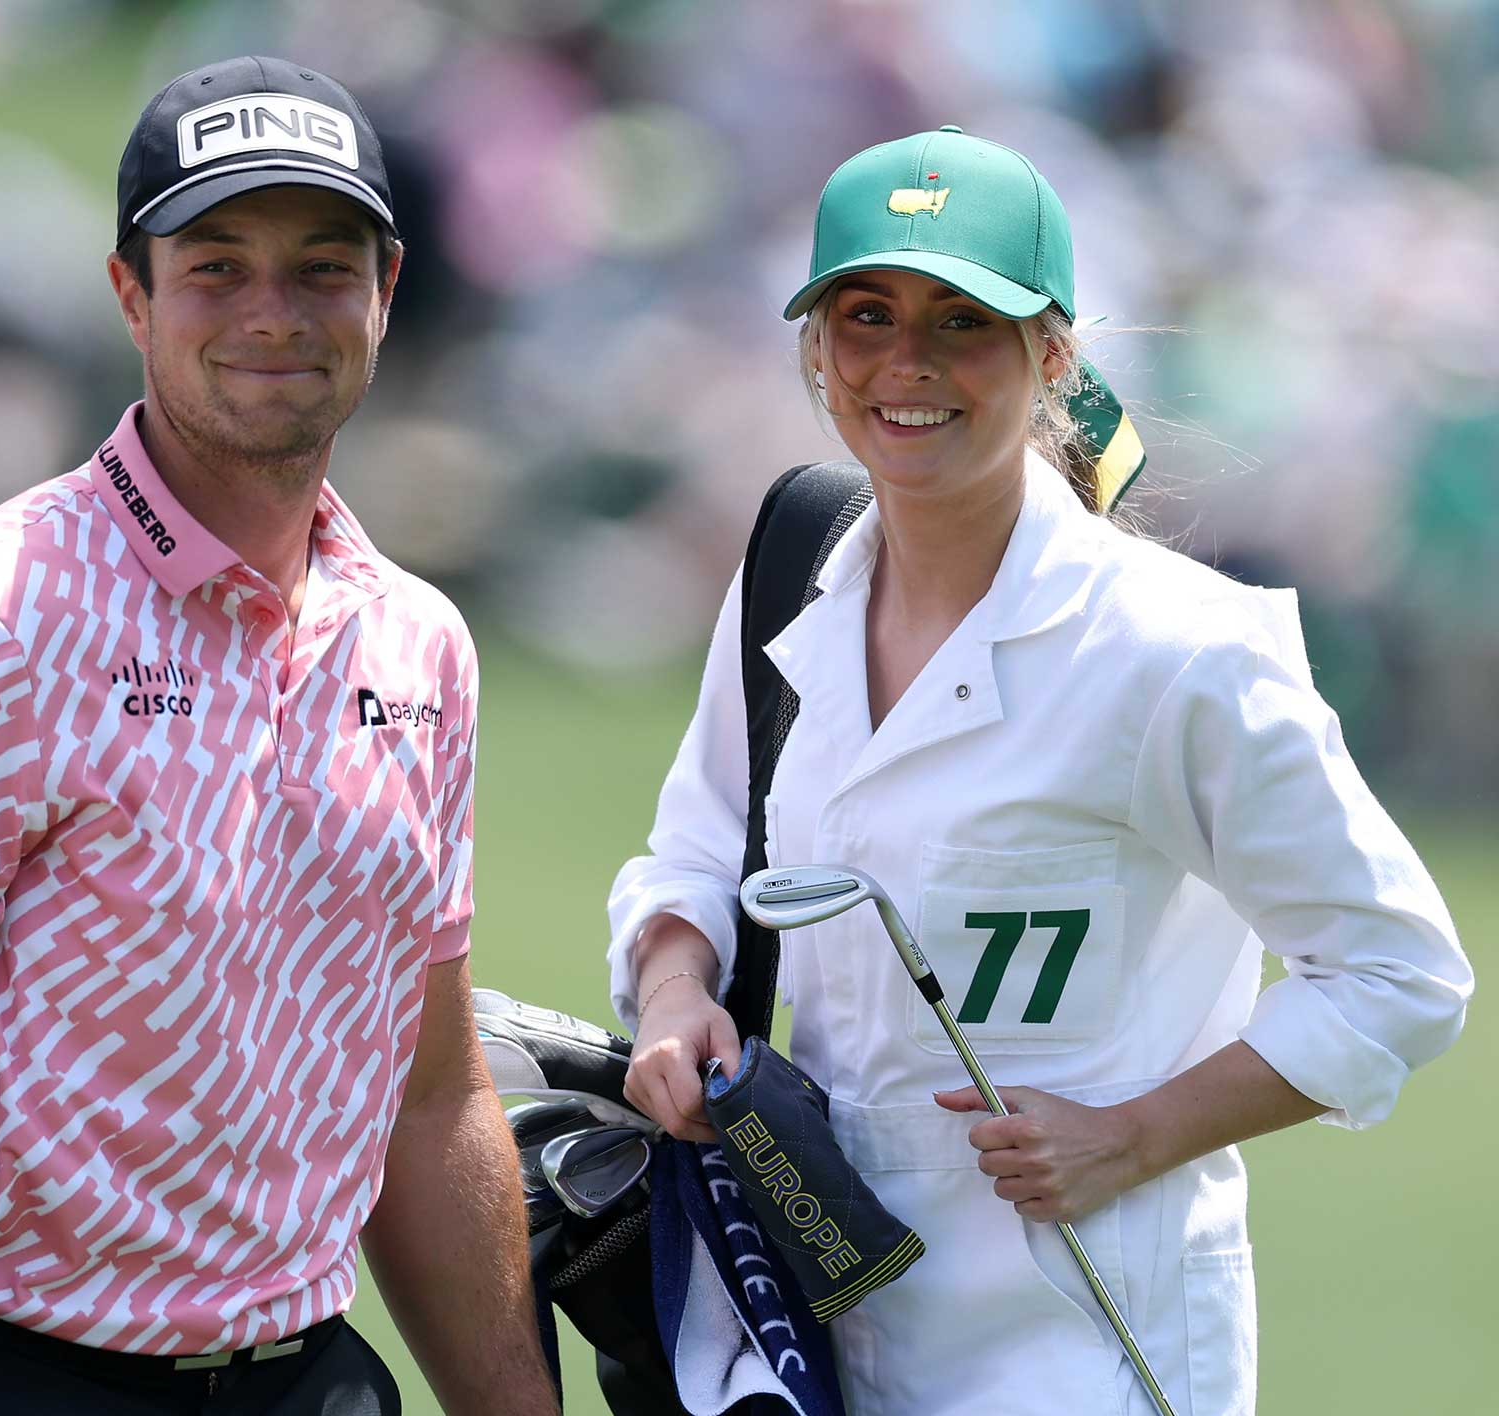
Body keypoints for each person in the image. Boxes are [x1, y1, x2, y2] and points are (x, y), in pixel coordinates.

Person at [609, 126, 1472, 1415]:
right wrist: (678, 990)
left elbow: (1402, 975)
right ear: (815, 349)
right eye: (866, 315)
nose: (907, 363)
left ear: (1052, 352)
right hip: (818, 1331)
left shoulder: (1179, 651)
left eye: (965, 322)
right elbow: (700, 849)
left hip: (1094, 1349)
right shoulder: (793, 570)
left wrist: (1138, 1135)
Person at [0, 56, 560, 1416]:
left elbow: (426, 1098)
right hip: (9, 1375)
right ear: (132, 295)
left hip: (310, 1377)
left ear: (386, 291)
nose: (273, 313)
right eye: (215, 267)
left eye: (321, 268)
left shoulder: (420, 641)